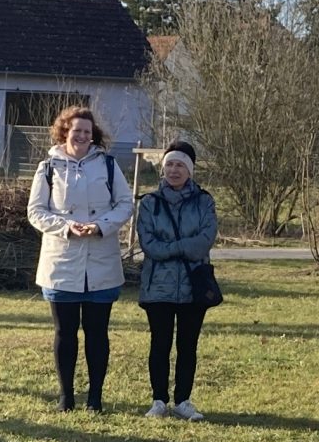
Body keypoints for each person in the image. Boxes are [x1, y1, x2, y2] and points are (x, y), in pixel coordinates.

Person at [28, 105, 133, 412]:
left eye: (87, 131)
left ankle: (95, 398)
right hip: (61, 262)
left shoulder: (109, 165)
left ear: (93, 134)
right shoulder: (47, 167)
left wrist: (101, 226)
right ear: (65, 132)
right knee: (65, 331)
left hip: (101, 262)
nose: (82, 136)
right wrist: (65, 227)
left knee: (97, 333)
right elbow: (36, 211)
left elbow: (125, 204)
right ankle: (66, 397)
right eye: (77, 131)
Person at [135, 140, 219, 419]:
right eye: (169, 164)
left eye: (180, 165)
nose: (174, 170)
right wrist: (182, 247)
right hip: (157, 286)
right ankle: (159, 400)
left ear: (190, 170)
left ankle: (183, 400)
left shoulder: (205, 201)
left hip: (193, 288)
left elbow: (204, 241)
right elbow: (149, 245)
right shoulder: (150, 203)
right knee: (159, 344)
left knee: (188, 345)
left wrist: (172, 247)